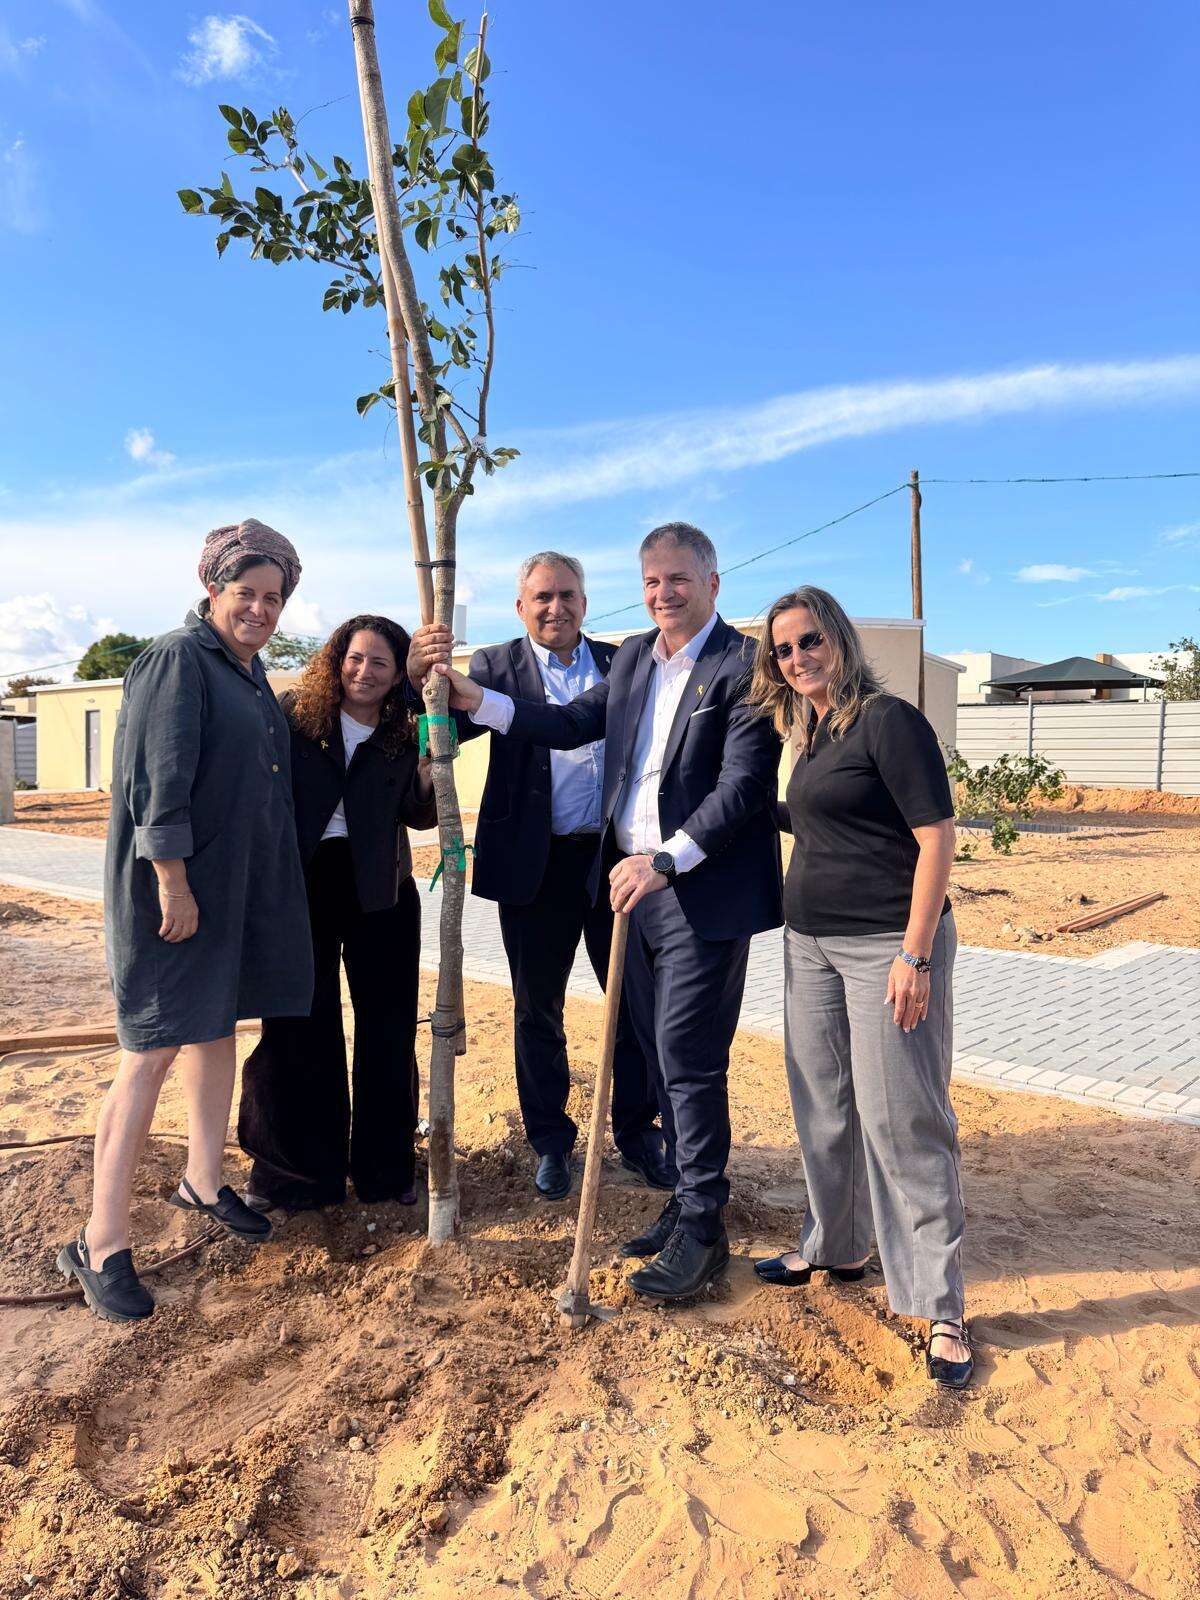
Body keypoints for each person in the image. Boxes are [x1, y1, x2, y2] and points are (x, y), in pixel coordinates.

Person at [424, 523, 783, 1301]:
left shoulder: (743, 666)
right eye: (652, 580)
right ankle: (687, 1203)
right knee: (652, 1043)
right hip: (633, 886)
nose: (663, 593)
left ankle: (703, 1226)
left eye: (679, 579)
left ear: (713, 584)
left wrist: (665, 860)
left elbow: (743, 786)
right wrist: (472, 697)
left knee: (683, 1053)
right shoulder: (636, 661)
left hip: (694, 889)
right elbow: (565, 725)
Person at [58, 519, 313, 1324]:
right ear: (212, 589)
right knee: (151, 1051)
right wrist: (171, 882)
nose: (260, 609)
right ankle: (100, 1241)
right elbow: (155, 781)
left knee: (214, 1030)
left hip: (228, 893)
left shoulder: (248, 672)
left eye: (274, 598)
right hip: (174, 896)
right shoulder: (178, 659)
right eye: (246, 593)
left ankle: (203, 1180)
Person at [745, 585, 972, 1388]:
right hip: (808, 943)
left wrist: (916, 954)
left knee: (902, 1117)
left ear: (839, 638)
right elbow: (833, 822)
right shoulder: (810, 732)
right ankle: (836, 1246)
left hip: (885, 946)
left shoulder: (888, 720)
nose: (798, 657)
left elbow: (936, 837)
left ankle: (940, 1305)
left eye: (810, 640)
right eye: (783, 649)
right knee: (825, 1107)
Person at [407, 552, 668, 1201]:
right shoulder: (496, 667)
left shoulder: (620, 663)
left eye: (567, 595)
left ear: (585, 602)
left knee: (633, 1001)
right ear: (521, 608)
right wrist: (420, 684)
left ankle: (637, 1133)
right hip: (534, 864)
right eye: (543, 597)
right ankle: (550, 1140)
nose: (556, 607)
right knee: (537, 1009)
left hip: (611, 863)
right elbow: (442, 729)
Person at [237, 616, 437, 1211]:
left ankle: (385, 1171)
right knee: (297, 1026)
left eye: (380, 663)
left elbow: (420, 815)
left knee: (388, 1030)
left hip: (383, 888)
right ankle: (296, 1176)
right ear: (336, 660)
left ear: (398, 675)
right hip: (302, 885)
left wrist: (430, 770)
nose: (363, 672)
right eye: (354, 658)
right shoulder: (296, 715)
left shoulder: (407, 730)